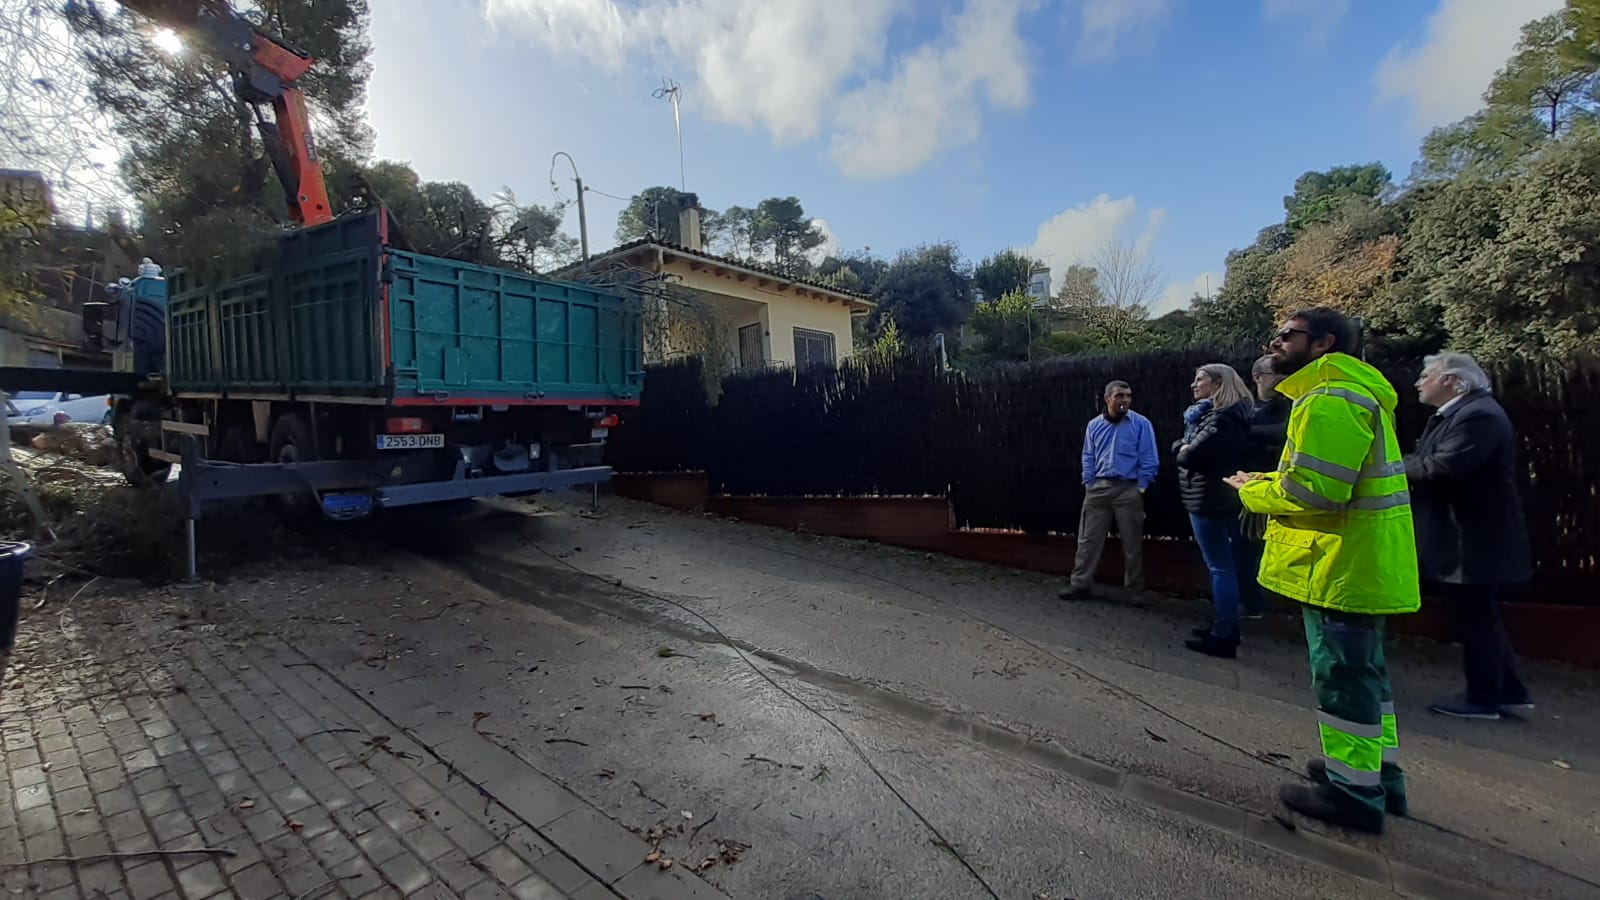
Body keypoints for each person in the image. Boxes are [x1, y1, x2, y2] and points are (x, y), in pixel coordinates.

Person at [1226, 307, 1419, 834]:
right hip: (1357, 560)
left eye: (1287, 335)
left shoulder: (1330, 399)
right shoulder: (1353, 392)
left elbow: (1316, 492)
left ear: (1322, 342)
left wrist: (1254, 491)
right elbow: (1325, 476)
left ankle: (1354, 795)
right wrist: (1272, 478)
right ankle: (1380, 776)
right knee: (1367, 674)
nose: (1276, 343)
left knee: (1342, 676)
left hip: (1340, 562)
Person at [1405, 352, 1534, 720]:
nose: (1420, 381)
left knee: (1476, 616)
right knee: (1479, 613)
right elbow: (1427, 458)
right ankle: (1508, 690)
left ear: (1452, 380)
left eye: (1427, 374)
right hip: (1471, 534)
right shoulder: (1460, 414)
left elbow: (1442, 466)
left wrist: (1388, 467)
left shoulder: (1479, 415)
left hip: (1477, 536)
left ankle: (1483, 699)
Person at [1175, 364, 1256, 658]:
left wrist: (1179, 448)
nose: (1194, 385)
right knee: (1224, 566)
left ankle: (1223, 635)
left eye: (1200, 379)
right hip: (1215, 496)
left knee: (1220, 567)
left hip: (1209, 499)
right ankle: (1224, 627)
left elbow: (1190, 455)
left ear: (1219, 383)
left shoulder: (1222, 418)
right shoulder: (1230, 414)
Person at [1062, 380, 1159, 599]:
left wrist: (1141, 488)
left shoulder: (1141, 424)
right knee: (1087, 539)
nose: (1125, 400)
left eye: (1128, 396)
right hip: (1098, 488)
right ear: (1107, 399)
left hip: (1128, 489)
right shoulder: (1094, 425)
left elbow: (1149, 458)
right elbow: (1088, 456)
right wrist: (1089, 483)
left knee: (1132, 543)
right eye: (1119, 396)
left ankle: (1134, 590)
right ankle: (1080, 583)